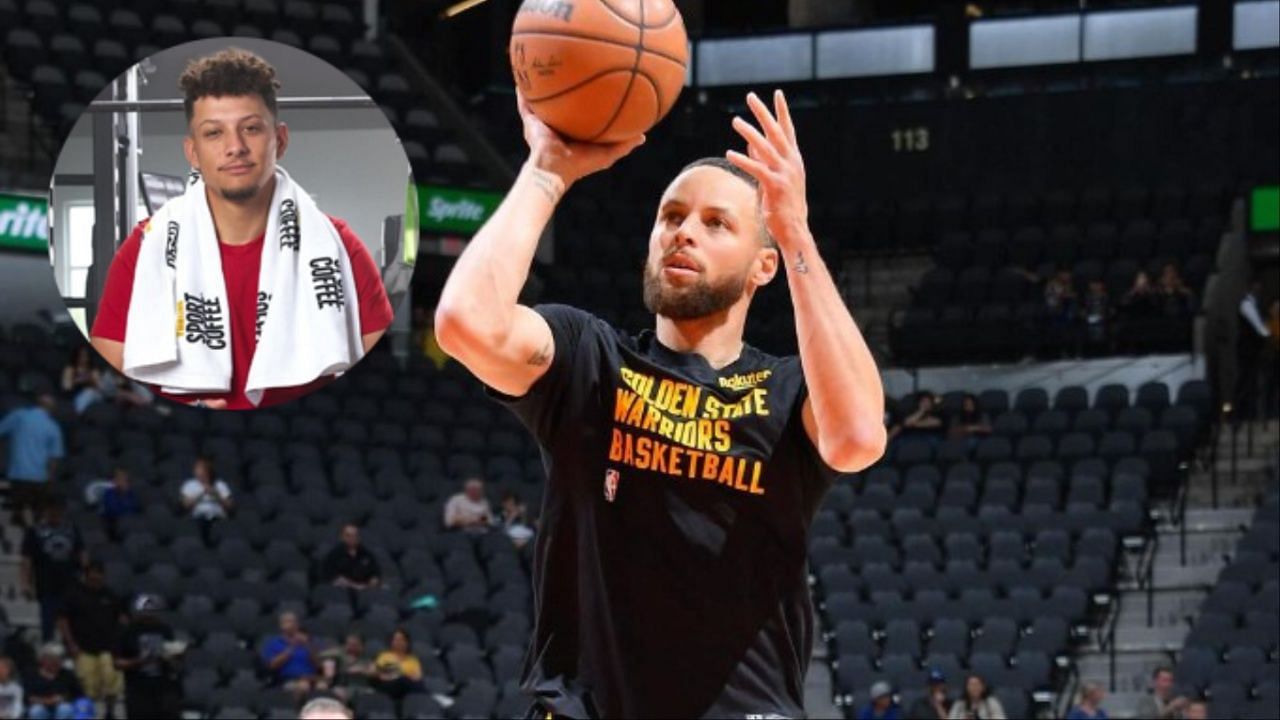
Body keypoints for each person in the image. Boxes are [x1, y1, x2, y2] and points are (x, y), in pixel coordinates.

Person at [434, 88, 885, 718]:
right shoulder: (591, 361)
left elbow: (860, 435)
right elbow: (464, 324)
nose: (683, 234)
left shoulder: (787, 391)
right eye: (671, 216)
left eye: (715, 223)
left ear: (763, 266)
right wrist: (547, 170)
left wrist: (796, 231)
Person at [88, 47, 394, 410]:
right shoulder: (145, 247)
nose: (235, 147)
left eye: (250, 128)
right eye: (214, 133)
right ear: (193, 153)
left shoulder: (339, 248)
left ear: (279, 140)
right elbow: (113, 352)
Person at [56, 562, 125, 718]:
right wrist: (71, 644)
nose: (96, 577)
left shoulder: (111, 596)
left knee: (112, 679)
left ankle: (110, 713)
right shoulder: (73, 594)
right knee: (87, 684)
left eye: (99, 574)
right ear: (86, 576)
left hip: (108, 648)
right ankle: (86, 714)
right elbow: (62, 620)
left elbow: (121, 620)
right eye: (92, 574)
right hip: (83, 648)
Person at [20, 498, 85, 642]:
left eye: (57, 510)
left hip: (69, 584)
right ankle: (47, 652)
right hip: (46, 584)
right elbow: (27, 560)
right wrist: (25, 583)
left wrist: (85, 576)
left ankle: (68, 651)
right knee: (47, 623)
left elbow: (82, 554)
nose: (54, 513)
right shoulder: (34, 531)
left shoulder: (72, 529)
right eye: (51, 510)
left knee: (70, 622)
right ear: (45, 511)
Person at [0, 393, 64, 528]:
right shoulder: (53, 427)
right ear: (51, 408)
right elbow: (54, 458)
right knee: (37, 515)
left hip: (18, 474)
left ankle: (18, 522)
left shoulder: (19, 416)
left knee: (18, 512)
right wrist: (49, 478)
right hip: (39, 477)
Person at [114, 594, 182, 720]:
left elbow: (175, 663)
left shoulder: (165, 630)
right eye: (146, 612)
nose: (149, 615)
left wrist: (175, 657)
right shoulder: (128, 632)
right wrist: (140, 661)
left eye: (153, 612)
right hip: (137, 689)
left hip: (162, 688)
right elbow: (117, 663)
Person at [1234, 280, 1271, 422]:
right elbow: (1260, 329)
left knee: (1252, 383)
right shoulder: (1246, 304)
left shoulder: (1255, 305)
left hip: (1253, 351)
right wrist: (1270, 334)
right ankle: (1238, 414)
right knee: (1244, 382)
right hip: (1246, 351)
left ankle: (1251, 414)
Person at [260, 612, 317, 697]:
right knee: (302, 687)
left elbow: (318, 664)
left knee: (323, 688)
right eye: (287, 622)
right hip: (288, 680)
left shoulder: (308, 642)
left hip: (310, 679)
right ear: (281, 625)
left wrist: (307, 645)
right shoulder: (274, 643)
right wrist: (292, 646)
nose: (291, 624)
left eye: (293, 621)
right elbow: (272, 665)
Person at [179, 456, 232, 544]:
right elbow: (185, 506)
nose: (195, 470)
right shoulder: (189, 485)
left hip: (218, 519)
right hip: (197, 519)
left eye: (199, 467)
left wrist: (216, 495)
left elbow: (230, 507)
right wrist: (201, 493)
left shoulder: (220, 485)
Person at [21, 644, 83, 720]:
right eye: (50, 659)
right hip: (40, 706)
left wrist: (64, 698)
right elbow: (28, 697)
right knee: (36, 710)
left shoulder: (67, 675)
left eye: (58, 659)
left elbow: (79, 694)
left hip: (62, 707)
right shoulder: (32, 675)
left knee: (65, 709)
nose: (55, 662)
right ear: (42, 660)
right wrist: (46, 701)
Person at [369, 629, 424, 703]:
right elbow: (378, 672)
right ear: (391, 642)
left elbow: (417, 677)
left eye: (402, 640)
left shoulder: (413, 660)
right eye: (396, 639)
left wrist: (397, 673)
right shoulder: (384, 656)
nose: (398, 642)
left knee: (414, 684)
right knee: (403, 680)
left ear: (407, 643)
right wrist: (402, 674)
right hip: (389, 686)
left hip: (408, 687)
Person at [316, 633, 374, 702]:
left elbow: (373, 672)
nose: (352, 647)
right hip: (343, 686)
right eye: (349, 644)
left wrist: (362, 670)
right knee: (338, 693)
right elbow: (321, 655)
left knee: (371, 695)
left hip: (362, 687)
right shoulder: (340, 654)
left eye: (355, 645)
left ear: (361, 645)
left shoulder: (367, 657)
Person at [321, 524, 381, 589]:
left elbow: (375, 572)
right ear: (342, 537)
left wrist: (374, 580)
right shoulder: (333, 555)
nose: (352, 538)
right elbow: (332, 577)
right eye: (348, 535)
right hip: (343, 591)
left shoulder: (366, 554)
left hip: (366, 590)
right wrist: (354, 586)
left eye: (355, 535)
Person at [98, 467, 141, 542]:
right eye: (121, 479)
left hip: (132, 521)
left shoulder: (131, 492)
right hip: (116, 523)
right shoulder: (109, 494)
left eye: (126, 479)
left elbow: (136, 506)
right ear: (115, 481)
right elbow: (113, 512)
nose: (124, 482)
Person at [60, 348, 103, 415]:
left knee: (89, 392)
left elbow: (100, 387)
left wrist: (90, 380)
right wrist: (77, 381)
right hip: (75, 394)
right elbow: (67, 387)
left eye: (85, 356)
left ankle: (79, 412)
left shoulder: (93, 370)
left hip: (93, 395)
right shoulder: (70, 369)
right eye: (81, 356)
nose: (83, 358)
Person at [1081, 280, 1112, 356]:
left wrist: (1104, 315)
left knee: (1100, 329)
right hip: (1090, 318)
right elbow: (1084, 310)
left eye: (1097, 284)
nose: (1095, 287)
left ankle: (1102, 350)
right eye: (1093, 284)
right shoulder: (1087, 297)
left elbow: (1108, 309)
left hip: (1102, 319)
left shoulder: (1105, 297)